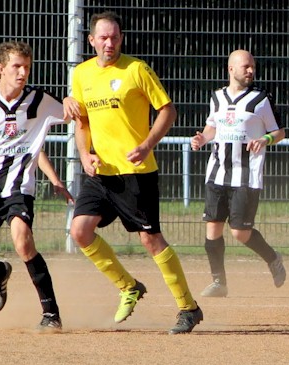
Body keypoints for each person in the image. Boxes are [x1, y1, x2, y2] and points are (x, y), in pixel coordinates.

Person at [64, 11, 202, 334]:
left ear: (121, 38)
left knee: (150, 240)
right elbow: (82, 123)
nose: (109, 43)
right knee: (80, 231)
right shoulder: (82, 74)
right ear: (92, 40)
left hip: (136, 174)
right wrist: (85, 155)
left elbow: (168, 110)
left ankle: (189, 307)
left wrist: (147, 143)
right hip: (101, 174)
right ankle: (128, 286)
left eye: (114, 37)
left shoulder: (136, 69)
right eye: (103, 37)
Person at [0, 41, 73, 331]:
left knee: (23, 240)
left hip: (19, 188)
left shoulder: (39, 100)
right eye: (17, 67)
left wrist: (72, 101)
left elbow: (74, 113)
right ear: (1, 69)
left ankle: (51, 314)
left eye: (27, 68)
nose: (23, 73)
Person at [190, 49, 287, 298]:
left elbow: (279, 132)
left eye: (252, 66)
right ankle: (219, 282)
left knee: (239, 232)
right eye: (246, 66)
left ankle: (273, 258)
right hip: (217, 172)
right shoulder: (217, 98)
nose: (251, 71)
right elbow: (212, 127)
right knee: (212, 229)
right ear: (231, 69)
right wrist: (202, 138)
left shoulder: (261, 100)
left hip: (246, 175)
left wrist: (265, 139)